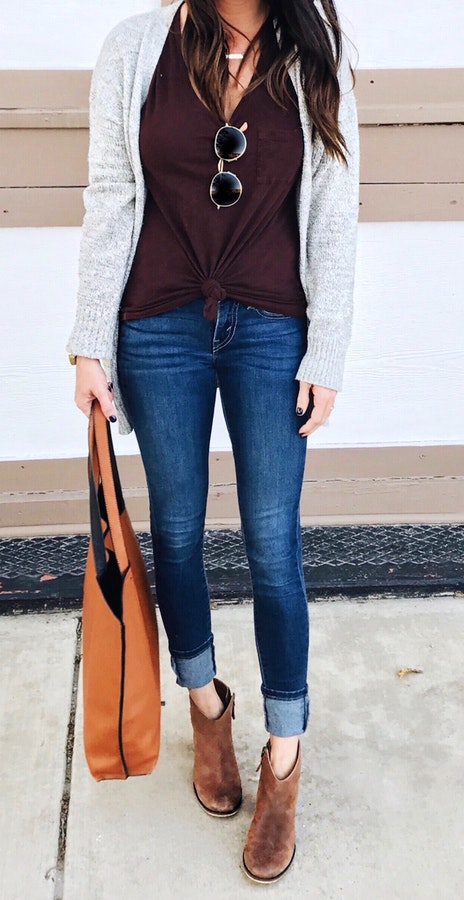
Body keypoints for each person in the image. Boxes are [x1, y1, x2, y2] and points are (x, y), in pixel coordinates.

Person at [68, 0, 359, 884]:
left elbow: (335, 205)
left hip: (274, 326)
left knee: (275, 544)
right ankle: (205, 707)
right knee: (180, 536)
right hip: (157, 325)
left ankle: (283, 760)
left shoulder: (313, 50)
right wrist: (89, 338)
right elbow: (112, 196)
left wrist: (329, 347)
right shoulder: (133, 50)